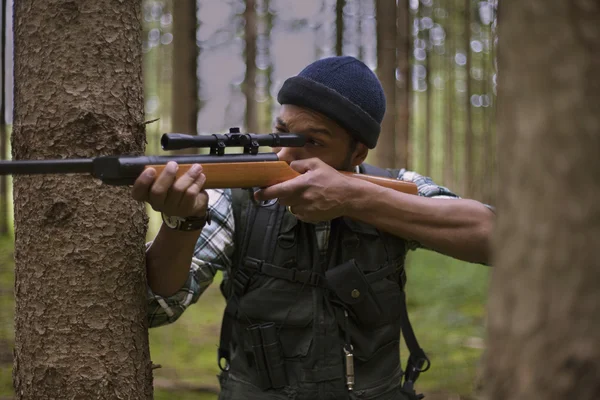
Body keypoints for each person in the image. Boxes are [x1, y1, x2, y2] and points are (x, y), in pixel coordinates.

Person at [133, 56, 494, 400]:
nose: (287, 156)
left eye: (314, 143)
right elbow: (155, 310)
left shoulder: (396, 187)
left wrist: (356, 199)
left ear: (357, 155)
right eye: (281, 134)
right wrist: (182, 224)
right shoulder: (238, 199)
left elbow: (495, 237)